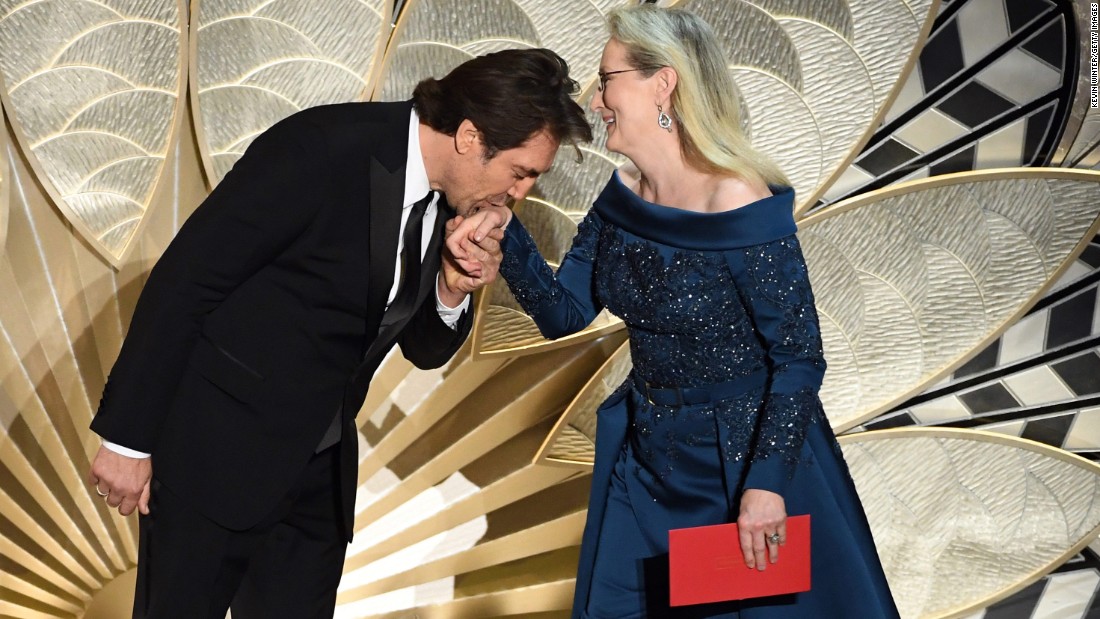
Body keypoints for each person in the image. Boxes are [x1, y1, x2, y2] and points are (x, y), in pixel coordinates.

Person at [86, 48, 593, 619]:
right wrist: (127, 439)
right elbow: (186, 283)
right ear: (471, 137)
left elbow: (424, 350)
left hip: (318, 482)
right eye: (520, 172)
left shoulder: (447, 202)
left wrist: (452, 286)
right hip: (215, 461)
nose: (520, 193)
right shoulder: (320, 149)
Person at [452, 7, 899, 618]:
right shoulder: (623, 195)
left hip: (737, 471)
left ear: (662, 83)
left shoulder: (739, 200)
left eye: (607, 78)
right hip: (646, 463)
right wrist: (510, 237)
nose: (597, 98)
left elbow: (798, 360)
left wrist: (764, 488)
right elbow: (566, 314)